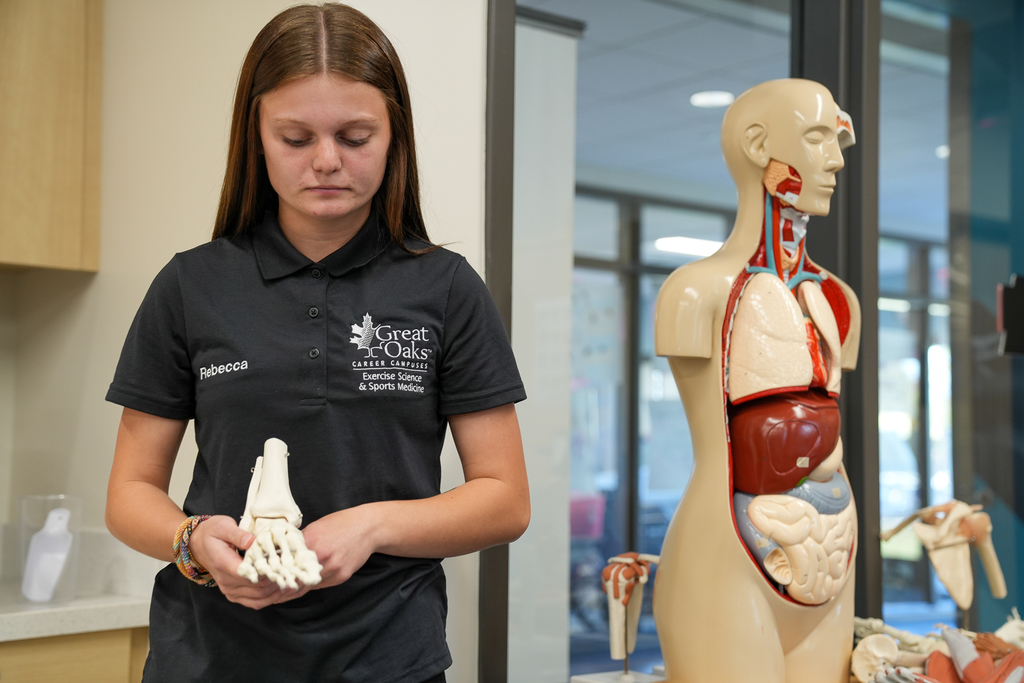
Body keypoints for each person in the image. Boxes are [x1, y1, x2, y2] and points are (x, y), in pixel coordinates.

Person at [104, 5, 530, 682]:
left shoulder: (445, 287)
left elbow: (505, 497)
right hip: (210, 656)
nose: (327, 161)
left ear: (395, 137)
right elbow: (129, 491)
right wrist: (192, 541)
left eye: (355, 135)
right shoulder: (191, 285)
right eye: (296, 137)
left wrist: (370, 526)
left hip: (388, 659)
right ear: (257, 139)